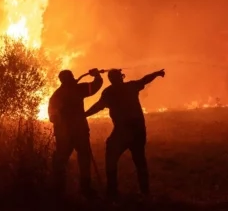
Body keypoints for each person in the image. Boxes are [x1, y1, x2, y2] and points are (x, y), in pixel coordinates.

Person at [84, 68, 165, 199]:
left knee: (111, 156)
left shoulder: (109, 92)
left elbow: (98, 106)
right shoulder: (131, 86)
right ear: (121, 77)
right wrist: (156, 73)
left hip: (122, 130)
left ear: (110, 79)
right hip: (138, 129)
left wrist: (84, 114)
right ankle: (145, 192)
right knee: (139, 160)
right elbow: (145, 79)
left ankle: (112, 191)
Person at [48, 68, 103, 197]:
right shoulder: (78, 90)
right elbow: (95, 86)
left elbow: (51, 115)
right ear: (69, 79)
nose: (74, 78)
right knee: (83, 159)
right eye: (71, 77)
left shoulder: (57, 95)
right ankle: (84, 188)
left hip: (65, 134)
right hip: (78, 132)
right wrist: (97, 75)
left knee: (62, 160)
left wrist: (58, 119)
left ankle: (59, 189)